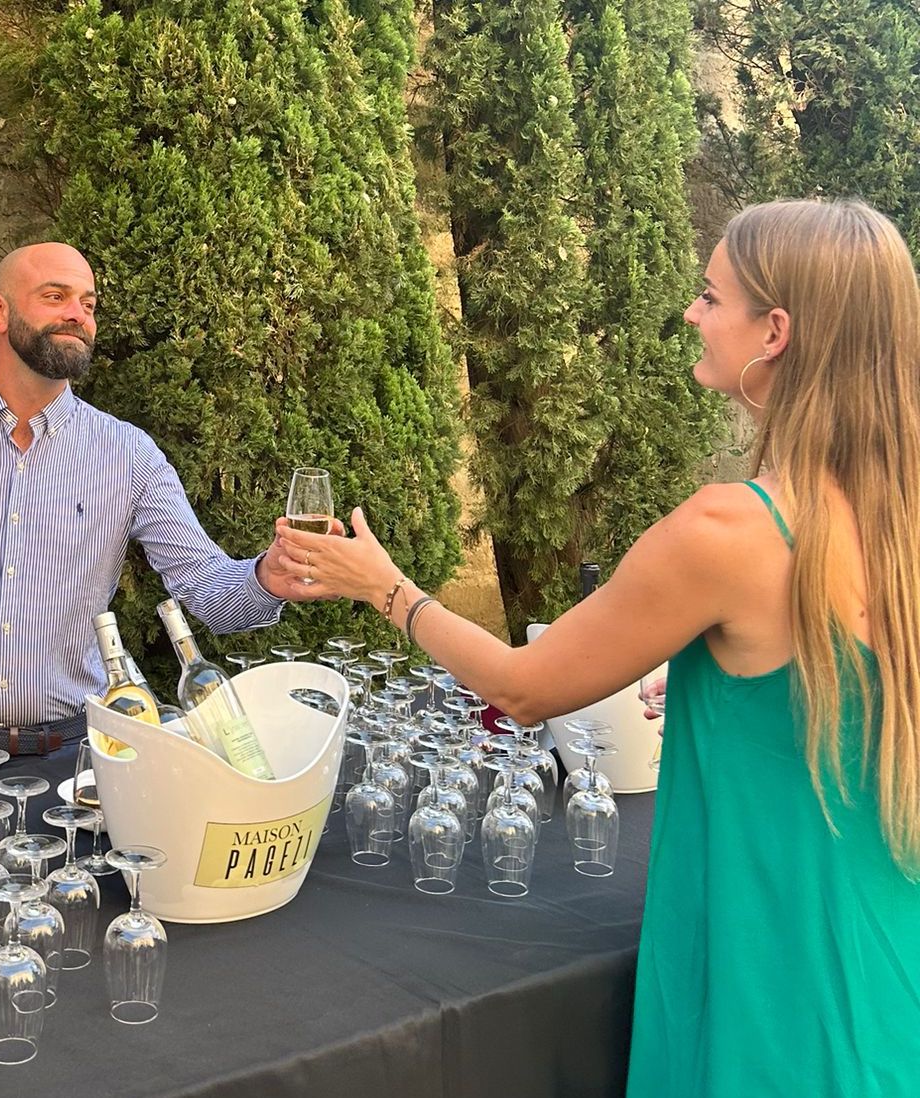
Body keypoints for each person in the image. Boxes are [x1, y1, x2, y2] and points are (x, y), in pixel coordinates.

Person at [276, 198, 920, 1095]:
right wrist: (723, 684)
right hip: (890, 983)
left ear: (774, 332)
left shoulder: (731, 530)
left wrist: (383, 587)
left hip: (773, 987)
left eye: (710, 296)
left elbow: (524, 688)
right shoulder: (898, 525)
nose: (691, 313)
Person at [0, 242, 327, 795]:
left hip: (74, 757)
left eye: (87, 303)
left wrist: (267, 577)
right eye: (55, 296)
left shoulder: (128, 454)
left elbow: (206, 587)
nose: (77, 315)